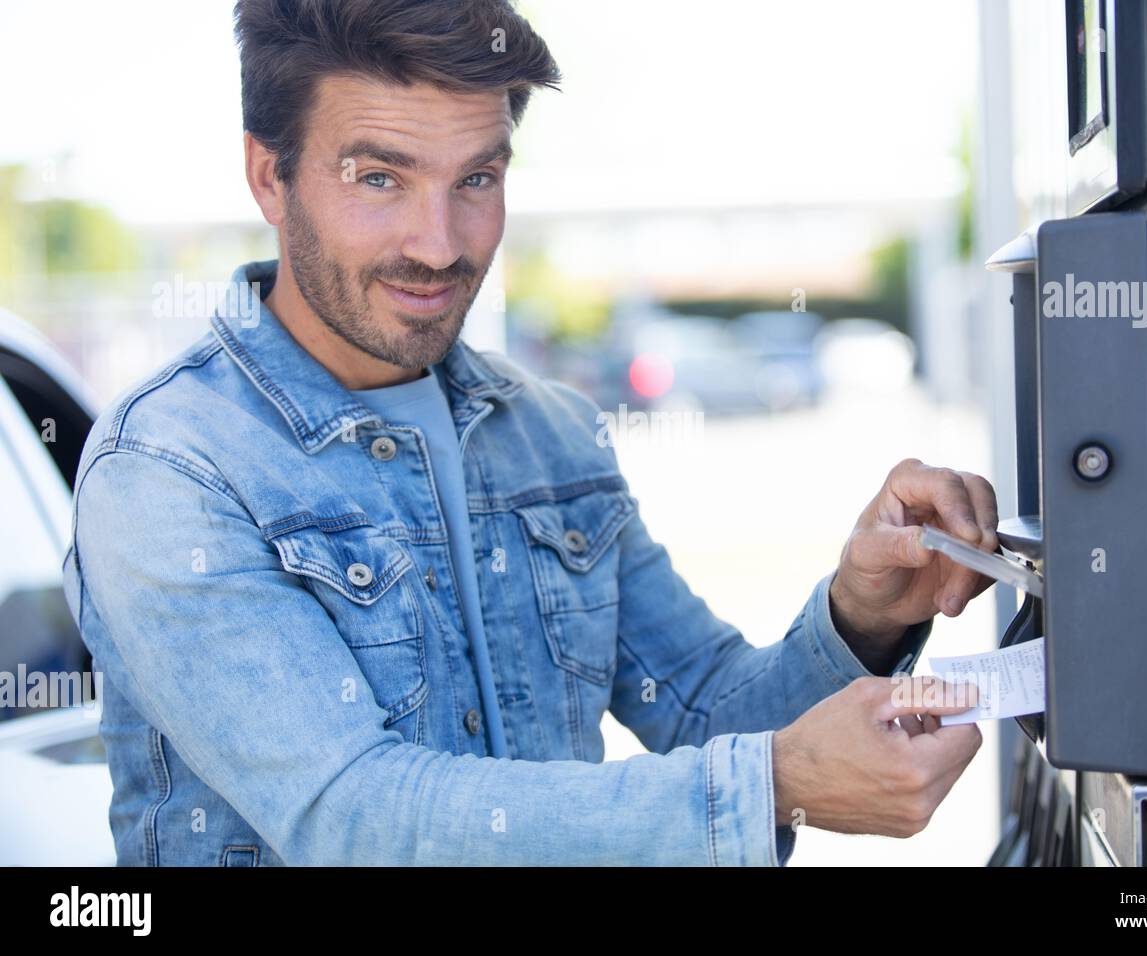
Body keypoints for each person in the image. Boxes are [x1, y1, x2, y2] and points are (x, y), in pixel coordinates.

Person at [62, 0, 998, 866]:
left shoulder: (548, 433)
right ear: (271, 175)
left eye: (477, 178)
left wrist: (865, 612)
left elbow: (713, 711)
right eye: (380, 177)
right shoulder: (171, 466)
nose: (438, 243)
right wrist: (773, 784)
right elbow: (353, 815)